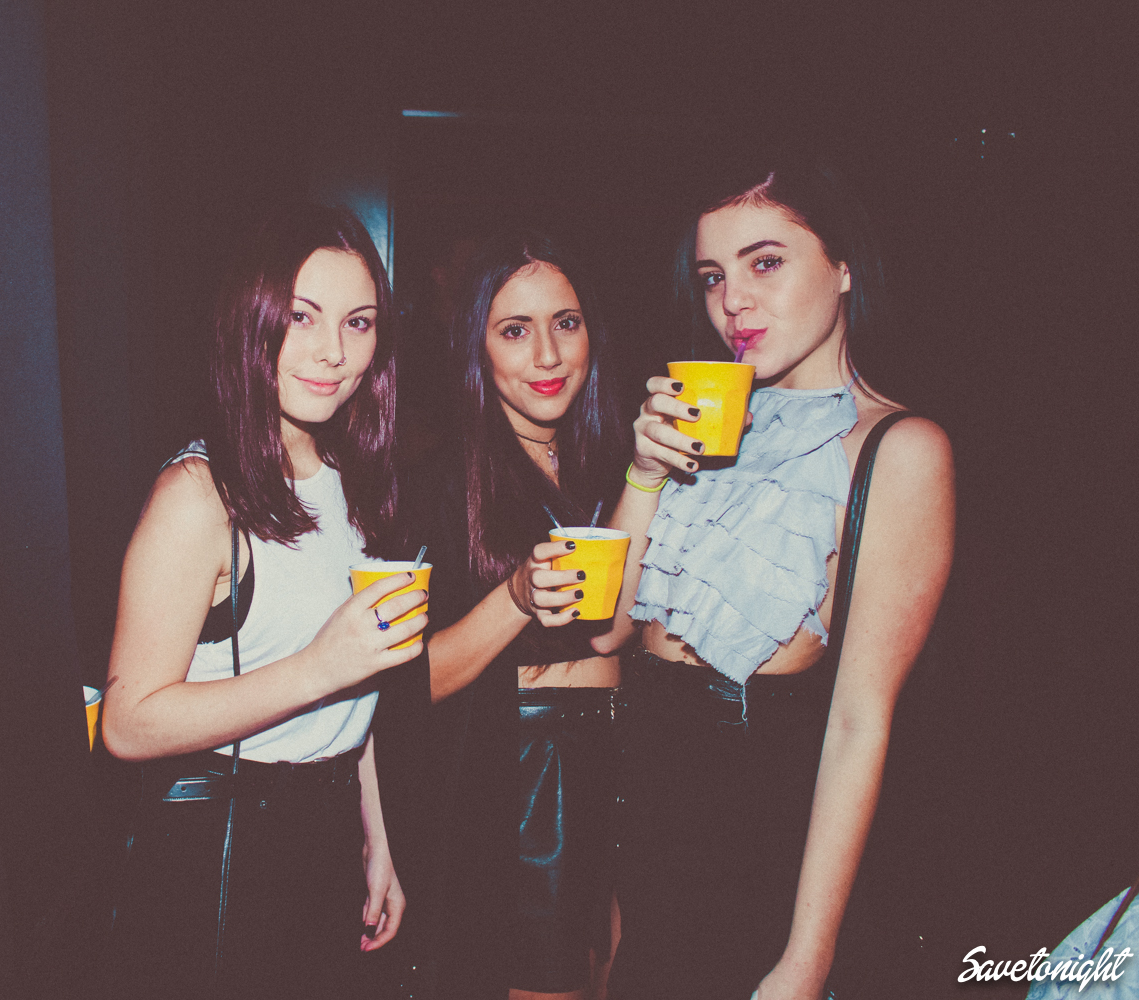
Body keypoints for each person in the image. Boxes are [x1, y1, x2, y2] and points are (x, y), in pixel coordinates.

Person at [603, 161, 956, 999]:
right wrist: (643, 472)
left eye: (765, 263)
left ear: (843, 266)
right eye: (712, 276)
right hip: (640, 833)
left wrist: (806, 960)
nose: (733, 301)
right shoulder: (704, 423)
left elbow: (859, 724)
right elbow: (607, 631)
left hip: (756, 853)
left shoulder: (897, 450)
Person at [100, 203, 426, 1000]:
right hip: (222, 841)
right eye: (302, 317)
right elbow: (128, 724)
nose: (332, 351)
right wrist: (317, 667)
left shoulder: (354, 479)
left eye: (358, 322)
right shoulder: (197, 494)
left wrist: (378, 838)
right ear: (252, 324)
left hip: (327, 827)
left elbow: (357, 688)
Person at [391, 231, 630, 1000]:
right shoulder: (443, 484)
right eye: (515, 330)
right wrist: (515, 597)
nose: (548, 355)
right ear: (478, 349)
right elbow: (405, 683)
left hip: (625, 775)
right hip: (527, 782)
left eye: (566, 322)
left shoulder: (615, 466)